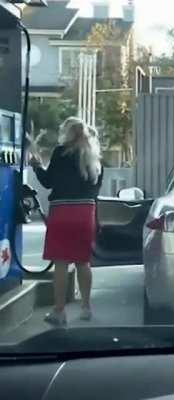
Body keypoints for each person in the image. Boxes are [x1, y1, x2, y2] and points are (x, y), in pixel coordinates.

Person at [29, 117, 103, 326]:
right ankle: (86, 307)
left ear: (67, 133)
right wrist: (97, 219)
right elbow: (95, 193)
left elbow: (48, 182)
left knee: (61, 263)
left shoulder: (60, 152)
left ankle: (59, 311)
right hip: (85, 212)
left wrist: (36, 166)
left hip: (62, 212)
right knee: (83, 262)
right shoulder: (94, 159)